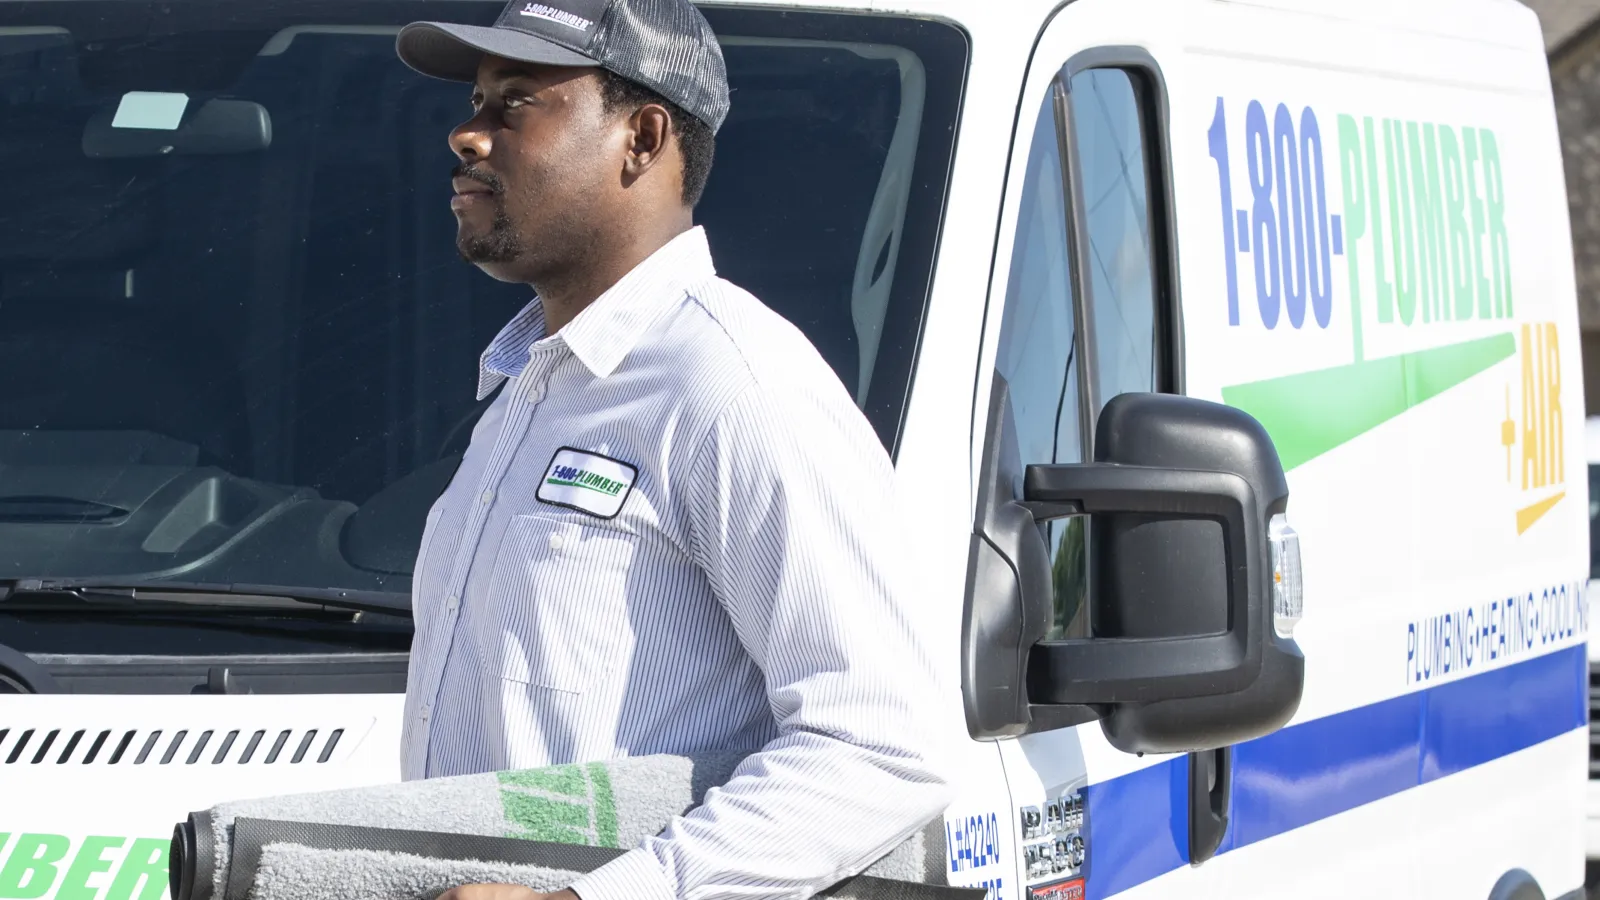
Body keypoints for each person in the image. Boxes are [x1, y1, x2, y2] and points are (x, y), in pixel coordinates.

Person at [390, 2, 958, 900]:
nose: (467, 135)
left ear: (642, 136)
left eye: (515, 102)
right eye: (473, 101)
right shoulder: (530, 391)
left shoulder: (734, 385)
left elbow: (885, 746)